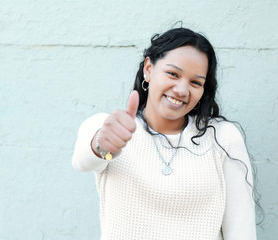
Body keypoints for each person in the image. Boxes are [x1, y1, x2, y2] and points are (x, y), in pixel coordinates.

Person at [72, 27, 257, 240]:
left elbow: (241, 231)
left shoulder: (223, 137)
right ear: (149, 69)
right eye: (173, 74)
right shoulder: (110, 127)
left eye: (195, 82)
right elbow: (83, 160)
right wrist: (103, 145)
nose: (181, 89)